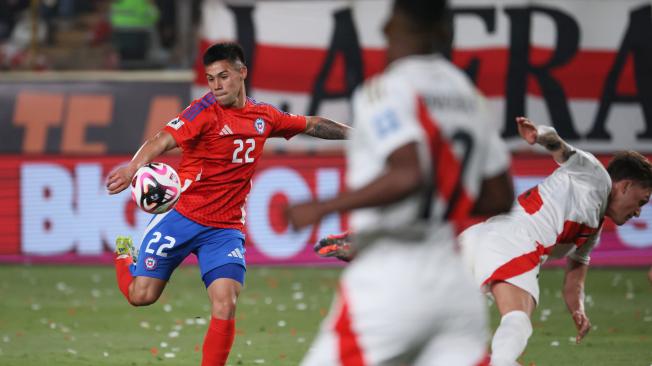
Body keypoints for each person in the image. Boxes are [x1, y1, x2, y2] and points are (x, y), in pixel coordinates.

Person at [285, 0, 514, 364]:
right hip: (454, 285)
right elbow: (499, 196)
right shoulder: (469, 97)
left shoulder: (387, 89)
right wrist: (439, 204)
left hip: (392, 278)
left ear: (392, 29)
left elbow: (408, 172)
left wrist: (324, 206)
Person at [106, 42, 350, 366]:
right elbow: (161, 141)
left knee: (225, 302)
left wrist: (357, 135)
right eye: (210, 79)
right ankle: (125, 253)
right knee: (142, 296)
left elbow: (311, 124)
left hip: (224, 229)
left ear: (242, 73)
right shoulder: (201, 112)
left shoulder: (264, 117)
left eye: (223, 76)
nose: (217, 86)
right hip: (182, 216)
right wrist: (133, 167)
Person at [458, 117, 652, 366]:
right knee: (517, 319)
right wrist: (538, 134)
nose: (639, 211)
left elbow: (574, 280)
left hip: (482, 237)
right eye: (642, 201)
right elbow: (560, 146)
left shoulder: (592, 228)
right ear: (626, 186)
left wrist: (578, 310)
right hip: (516, 241)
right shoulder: (595, 175)